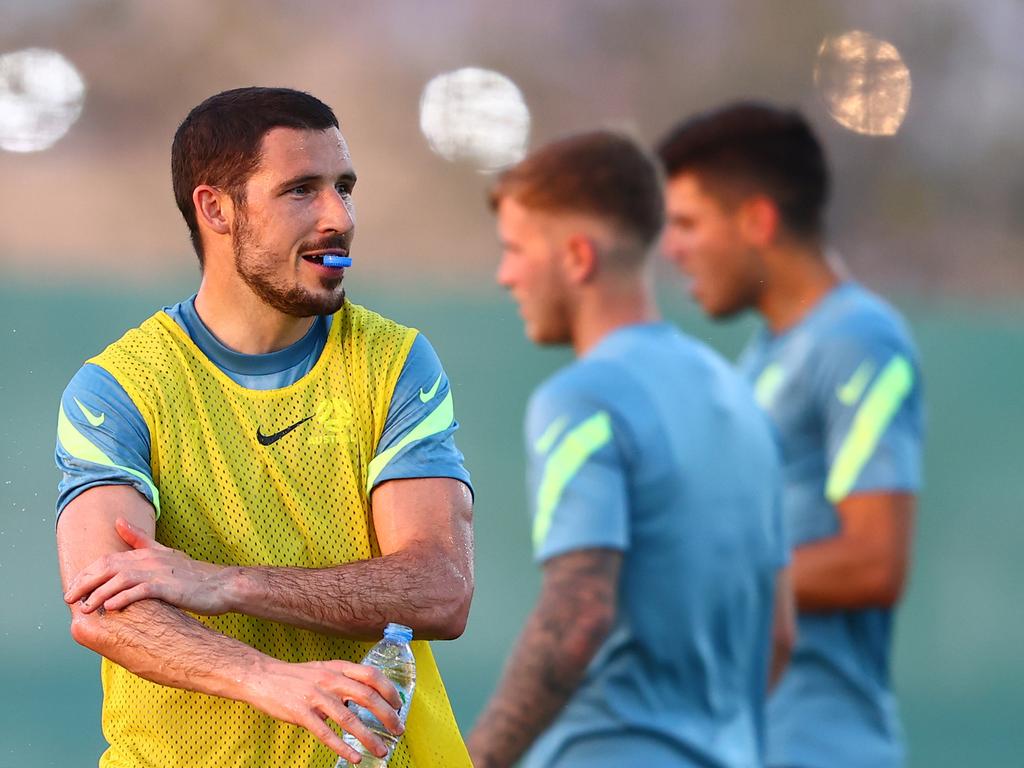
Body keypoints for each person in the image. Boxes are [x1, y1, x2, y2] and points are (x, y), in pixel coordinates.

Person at [54, 87, 475, 768]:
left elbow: (439, 587)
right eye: (302, 190)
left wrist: (229, 584)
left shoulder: (396, 362)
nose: (339, 216)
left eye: (344, 186)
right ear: (215, 208)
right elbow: (107, 610)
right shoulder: (118, 389)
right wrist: (267, 679)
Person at [465, 131, 793, 768]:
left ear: (578, 257)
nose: (504, 275)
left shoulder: (582, 398)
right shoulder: (743, 400)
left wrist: (476, 762)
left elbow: (579, 613)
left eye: (514, 250)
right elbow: (779, 633)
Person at [657, 102, 924, 768]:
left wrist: (690, 579)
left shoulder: (859, 338)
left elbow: (874, 562)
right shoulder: (767, 354)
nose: (673, 249)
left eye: (688, 223)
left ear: (757, 220)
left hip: (824, 747)